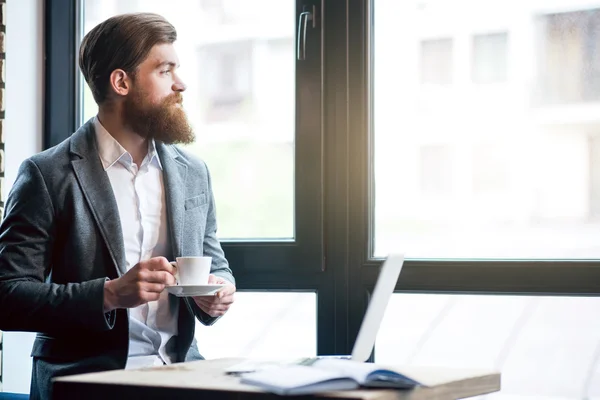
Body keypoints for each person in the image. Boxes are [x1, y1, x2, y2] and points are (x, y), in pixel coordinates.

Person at [0, 12, 235, 400]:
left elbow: (214, 259)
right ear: (121, 81)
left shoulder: (193, 172)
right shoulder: (46, 174)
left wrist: (220, 291)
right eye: (165, 70)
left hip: (185, 378)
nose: (181, 84)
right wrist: (110, 293)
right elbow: (7, 297)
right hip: (85, 384)